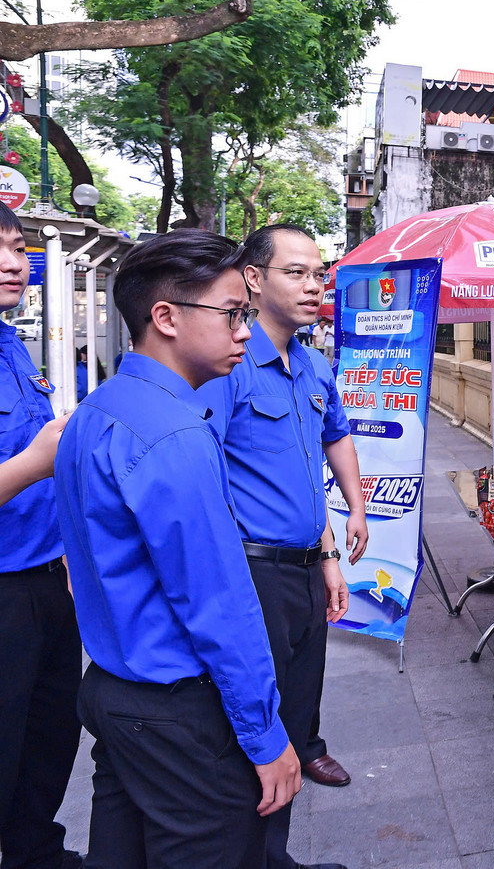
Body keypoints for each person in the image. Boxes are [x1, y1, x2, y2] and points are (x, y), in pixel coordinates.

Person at [54, 230, 300, 869]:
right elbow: (219, 603)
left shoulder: (95, 412)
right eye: (231, 313)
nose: (244, 331)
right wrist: (267, 735)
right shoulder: (174, 435)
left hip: (114, 692)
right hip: (178, 713)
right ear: (164, 317)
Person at [196, 223, 366, 869]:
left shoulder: (314, 362)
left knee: (295, 713)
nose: (313, 284)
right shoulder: (230, 367)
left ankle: (274, 854)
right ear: (254, 278)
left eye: (318, 272)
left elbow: (319, 451)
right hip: (251, 572)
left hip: (302, 567)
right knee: (251, 724)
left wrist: (330, 546)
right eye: (296, 271)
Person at [0, 203, 83, 869]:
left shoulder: (9, 342)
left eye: (16, 246)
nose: (12, 262)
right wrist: (37, 460)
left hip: (48, 580)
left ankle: (36, 855)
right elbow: (30, 463)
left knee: (49, 735)